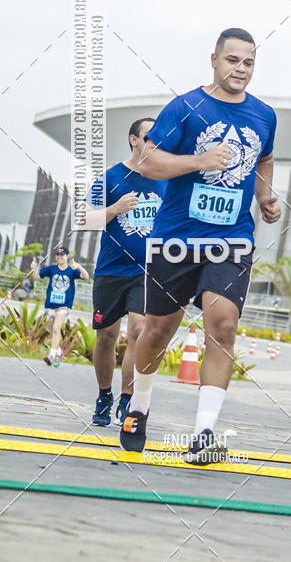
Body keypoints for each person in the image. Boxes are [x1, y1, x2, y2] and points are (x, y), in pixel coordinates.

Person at [119, 28, 281, 464]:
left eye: (248, 62)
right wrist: (198, 161)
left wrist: (265, 196)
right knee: (157, 331)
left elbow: (263, 157)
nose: (240, 69)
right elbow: (147, 160)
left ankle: (205, 433)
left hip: (230, 240)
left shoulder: (264, 115)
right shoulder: (186, 106)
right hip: (176, 240)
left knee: (223, 324)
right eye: (232, 60)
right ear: (214, 60)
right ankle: (139, 406)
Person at [86, 119, 168, 427]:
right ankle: (104, 395)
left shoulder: (167, 180)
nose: (155, 143)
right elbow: (86, 220)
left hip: (147, 271)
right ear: (134, 139)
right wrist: (114, 209)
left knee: (138, 331)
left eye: (159, 139)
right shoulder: (109, 177)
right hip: (110, 270)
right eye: (149, 137)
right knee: (106, 336)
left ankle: (127, 399)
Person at [32, 247, 89, 366]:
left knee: (56, 328)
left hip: (64, 306)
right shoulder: (51, 269)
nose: (59, 257)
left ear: (67, 256)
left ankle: (51, 355)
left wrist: (78, 266)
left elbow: (86, 276)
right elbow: (36, 277)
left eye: (62, 255)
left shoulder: (72, 271)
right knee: (53, 330)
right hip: (51, 305)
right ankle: (58, 351)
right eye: (57, 255)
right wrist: (33, 268)